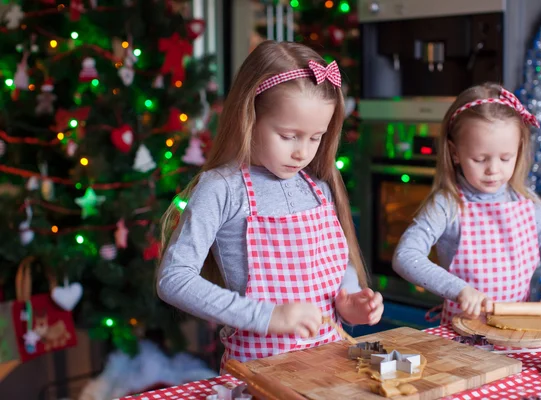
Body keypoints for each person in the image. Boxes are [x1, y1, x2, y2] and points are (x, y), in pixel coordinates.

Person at [156, 41, 384, 369]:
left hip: (328, 370)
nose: (302, 153)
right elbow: (174, 279)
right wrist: (267, 316)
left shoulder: (318, 187)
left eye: (315, 137)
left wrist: (348, 299)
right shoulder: (222, 188)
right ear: (249, 115)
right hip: (260, 374)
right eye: (288, 135)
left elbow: (334, 265)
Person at [392, 82, 541, 325]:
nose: (493, 170)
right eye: (479, 159)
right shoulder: (447, 205)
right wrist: (459, 290)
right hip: (463, 340)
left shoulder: (528, 205)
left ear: (519, 151)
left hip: (516, 335)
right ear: (455, 153)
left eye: (505, 158)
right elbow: (405, 256)